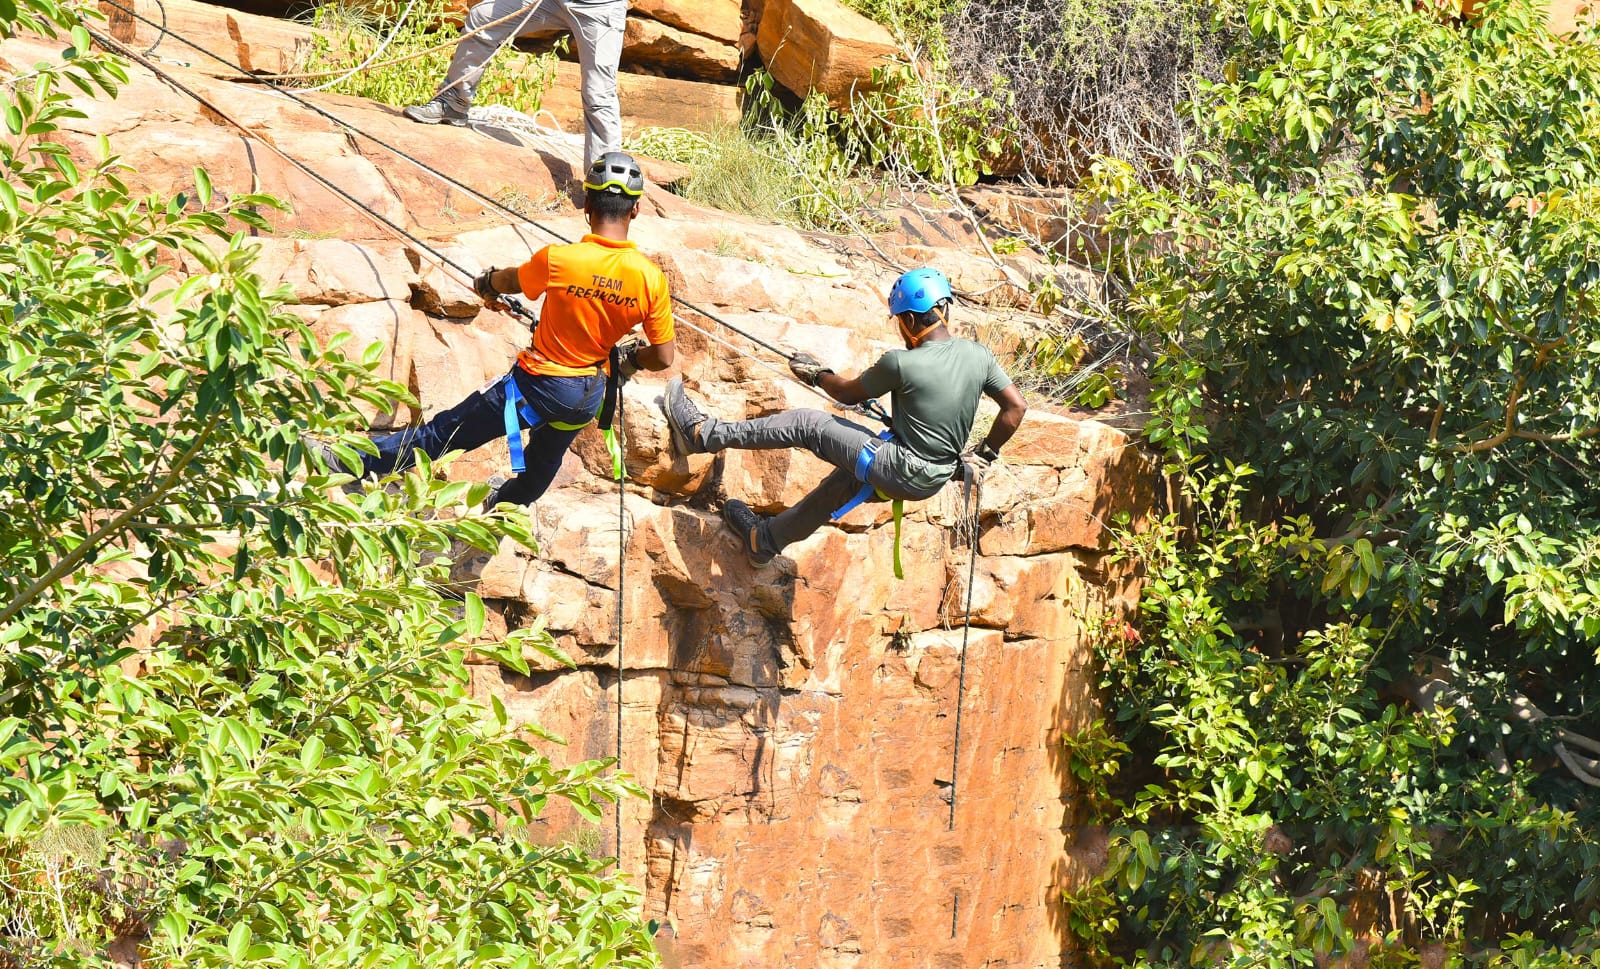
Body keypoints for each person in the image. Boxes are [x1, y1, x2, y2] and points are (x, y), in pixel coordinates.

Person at [325, 152, 674, 508]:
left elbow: (510, 280)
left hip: (538, 384)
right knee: (539, 470)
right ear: (635, 210)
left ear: (587, 205)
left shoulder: (559, 260)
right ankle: (501, 506)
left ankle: (349, 460)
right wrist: (630, 359)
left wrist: (487, 283)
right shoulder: (650, 279)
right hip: (586, 396)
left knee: (445, 432)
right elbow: (663, 356)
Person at [659, 267, 1028, 566]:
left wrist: (817, 374)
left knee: (808, 425)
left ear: (912, 321)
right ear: (944, 309)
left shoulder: (901, 362)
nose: (899, 328)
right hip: (933, 475)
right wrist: (985, 453)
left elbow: (845, 392)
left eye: (899, 321)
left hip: (900, 466)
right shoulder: (979, 356)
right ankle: (763, 541)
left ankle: (701, 434)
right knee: (846, 481)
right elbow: (1016, 408)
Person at [402, 0, 624, 167]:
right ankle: (454, 102)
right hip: (551, 2)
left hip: (599, 8)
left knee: (598, 95)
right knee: (483, 18)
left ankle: (605, 180)